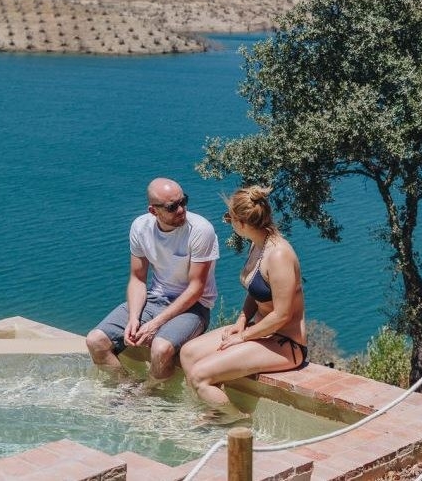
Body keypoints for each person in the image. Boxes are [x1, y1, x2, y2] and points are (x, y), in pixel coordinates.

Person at [180, 185, 307, 421]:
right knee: (188, 353)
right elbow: (256, 290)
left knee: (199, 375)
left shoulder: (279, 255)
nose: (229, 223)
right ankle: (215, 409)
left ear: (240, 223)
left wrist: (243, 337)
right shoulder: (257, 244)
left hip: (285, 343)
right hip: (257, 331)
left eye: (229, 218)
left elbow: (282, 315)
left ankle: (237, 420)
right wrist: (241, 320)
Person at [86, 178, 219, 382]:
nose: (181, 210)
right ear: (153, 211)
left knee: (160, 348)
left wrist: (154, 325)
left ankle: (150, 394)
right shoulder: (140, 227)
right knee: (95, 341)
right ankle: (127, 388)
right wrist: (134, 318)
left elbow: (196, 289)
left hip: (194, 307)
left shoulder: (200, 230)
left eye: (183, 201)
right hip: (155, 299)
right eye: (172, 207)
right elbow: (137, 278)